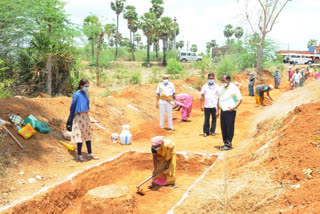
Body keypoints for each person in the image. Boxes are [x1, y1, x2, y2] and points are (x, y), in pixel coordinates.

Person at [67, 78, 99, 162]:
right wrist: (70, 118)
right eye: (85, 86)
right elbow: (73, 106)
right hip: (79, 116)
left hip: (85, 116)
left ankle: (90, 153)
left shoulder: (85, 93)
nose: (87, 88)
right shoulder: (76, 94)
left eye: (88, 86)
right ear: (81, 85)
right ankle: (79, 155)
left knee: (88, 134)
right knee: (79, 135)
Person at [217, 75, 242, 151]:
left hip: (230, 110)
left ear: (228, 80)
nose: (223, 82)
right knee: (223, 127)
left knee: (229, 127)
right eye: (222, 80)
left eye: (224, 80)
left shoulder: (234, 88)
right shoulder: (221, 88)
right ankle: (225, 143)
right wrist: (217, 109)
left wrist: (233, 108)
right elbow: (218, 98)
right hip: (223, 110)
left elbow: (239, 100)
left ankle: (228, 144)